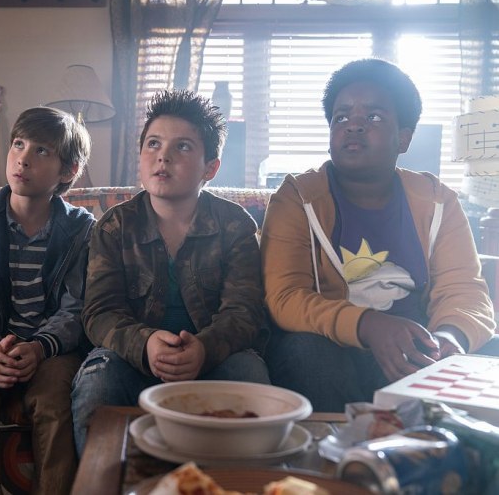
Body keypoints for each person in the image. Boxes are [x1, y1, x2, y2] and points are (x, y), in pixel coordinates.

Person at [261, 58, 498, 413]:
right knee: (304, 350)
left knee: (489, 349)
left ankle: (440, 441)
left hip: (418, 349)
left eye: (373, 117)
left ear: (403, 138)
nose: (353, 125)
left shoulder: (438, 201)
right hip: (335, 348)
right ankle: (345, 446)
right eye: (341, 117)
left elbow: (464, 289)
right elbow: (285, 298)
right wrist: (368, 325)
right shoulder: (298, 197)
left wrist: (450, 338)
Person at [71, 89, 271, 455]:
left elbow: (244, 312)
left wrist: (204, 349)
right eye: (153, 144)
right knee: (98, 381)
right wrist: (145, 343)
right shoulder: (115, 226)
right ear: (140, 157)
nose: (163, 156)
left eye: (182, 147)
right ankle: (103, 477)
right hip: (131, 359)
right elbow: (99, 312)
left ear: (210, 168)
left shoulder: (234, 225)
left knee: (249, 373)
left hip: (214, 359)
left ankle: (240, 479)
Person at [0, 106, 95, 494]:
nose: (23, 159)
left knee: (57, 396)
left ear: (68, 170)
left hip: (52, 350)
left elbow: (77, 307)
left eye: (41, 151)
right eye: (19, 145)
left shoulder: (81, 230)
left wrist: (40, 347)